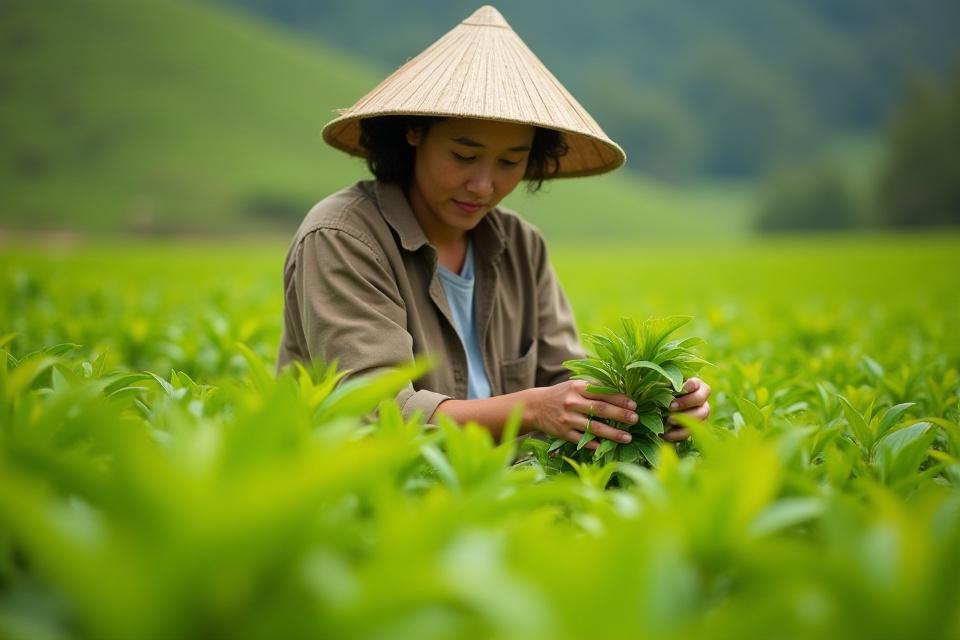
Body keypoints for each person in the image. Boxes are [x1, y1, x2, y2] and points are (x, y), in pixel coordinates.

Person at [276, 5, 710, 450]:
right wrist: (532, 409)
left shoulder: (521, 246)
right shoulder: (343, 238)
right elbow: (375, 411)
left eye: (510, 161)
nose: (483, 185)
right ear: (414, 133)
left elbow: (563, 380)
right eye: (464, 156)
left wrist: (651, 402)